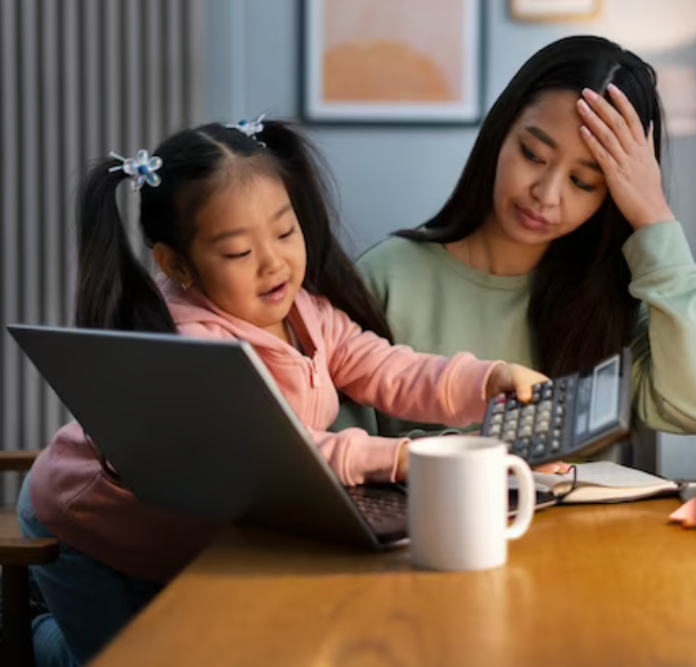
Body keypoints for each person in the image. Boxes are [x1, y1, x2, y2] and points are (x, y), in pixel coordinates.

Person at [18, 118, 547, 666]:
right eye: (238, 253)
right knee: (122, 657)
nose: (274, 263)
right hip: (87, 525)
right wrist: (397, 458)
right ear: (178, 265)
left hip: (180, 529)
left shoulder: (307, 311)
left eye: (285, 232)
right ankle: (32, 634)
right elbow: (282, 456)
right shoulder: (192, 346)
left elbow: (387, 367)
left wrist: (488, 380)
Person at [336, 35, 696, 463]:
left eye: (583, 183)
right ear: (501, 131)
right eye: (532, 153)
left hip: (586, 532)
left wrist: (654, 214)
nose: (546, 195)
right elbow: (336, 461)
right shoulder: (385, 278)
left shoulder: (619, 300)